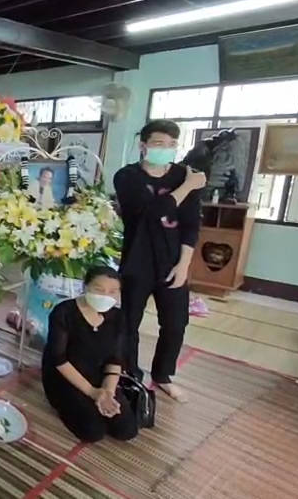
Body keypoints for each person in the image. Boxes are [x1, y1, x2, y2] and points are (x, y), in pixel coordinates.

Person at [114, 120, 205, 402]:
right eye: (158, 144)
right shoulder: (127, 177)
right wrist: (188, 186)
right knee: (129, 322)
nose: (166, 149)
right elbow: (152, 212)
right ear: (143, 146)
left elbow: (191, 224)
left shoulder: (183, 175)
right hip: (138, 260)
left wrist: (184, 264)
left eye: (172, 144)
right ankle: (130, 374)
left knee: (176, 323)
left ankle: (163, 375)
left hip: (173, 261)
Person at [42, 266, 138, 443]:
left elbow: (115, 358)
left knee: (126, 430)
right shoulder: (64, 312)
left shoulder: (118, 317)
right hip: (66, 376)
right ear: (85, 287)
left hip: (98, 374)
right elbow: (58, 359)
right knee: (93, 432)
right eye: (99, 289)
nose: (106, 295)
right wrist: (93, 392)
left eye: (113, 291)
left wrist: (108, 392)